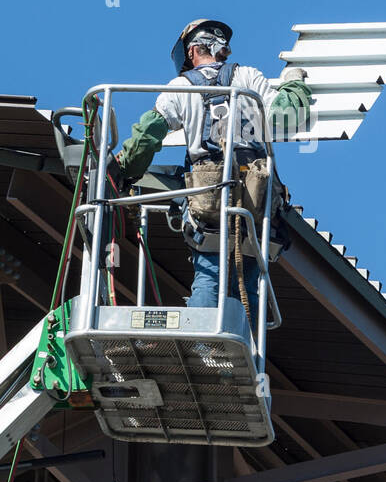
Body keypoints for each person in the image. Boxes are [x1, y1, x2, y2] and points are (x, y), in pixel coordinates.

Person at [115, 19, 311, 318]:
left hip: (209, 195)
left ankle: (204, 345)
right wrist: (294, 83)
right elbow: (288, 116)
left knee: (209, 273)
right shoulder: (247, 76)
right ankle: (247, 342)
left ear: (192, 51)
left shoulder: (181, 87)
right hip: (254, 197)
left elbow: (149, 133)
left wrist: (124, 169)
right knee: (248, 278)